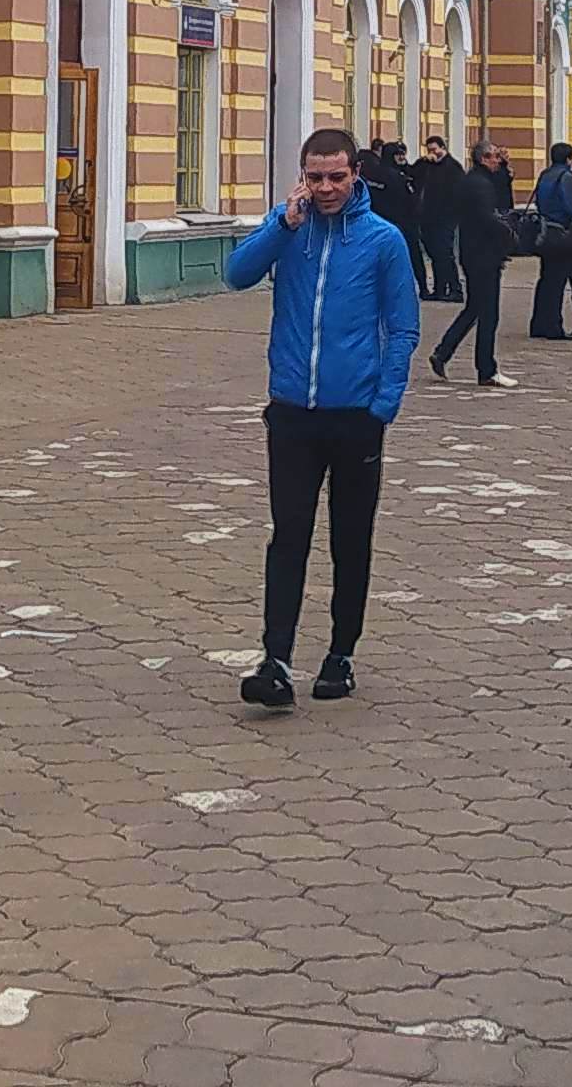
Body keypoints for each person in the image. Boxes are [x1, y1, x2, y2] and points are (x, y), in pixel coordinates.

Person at [220, 127, 422, 708]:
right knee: (288, 537)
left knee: (350, 541)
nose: (326, 187)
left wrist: (383, 404)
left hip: (356, 415)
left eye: (337, 176)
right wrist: (281, 226)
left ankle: (340, 655)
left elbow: (403, 327)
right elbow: (237, 273)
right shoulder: (289, 229)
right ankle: (276, 662)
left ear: (356, 174)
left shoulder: (382, 240)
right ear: (302, 177)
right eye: (315, 177)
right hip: (292, 413)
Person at [430, 141, 521, 386]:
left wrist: (505, 172)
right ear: (483, 159)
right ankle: (486, 370)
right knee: (488, 313)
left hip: (475, 253)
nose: (497, 160)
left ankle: (443, 353)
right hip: (483, 255)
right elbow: (488, 217)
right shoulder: (478, 185)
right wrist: (509, 233)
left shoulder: (477, 180)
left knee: (474, 308)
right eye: (494, 157)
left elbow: (502, 198)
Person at [528, 143, 572, 340]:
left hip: (545, 232)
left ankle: (537, 324)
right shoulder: (566, 177)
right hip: (561, 233)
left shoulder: (545, 174)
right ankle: (553, 327)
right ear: (569, 159)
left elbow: (539, 201)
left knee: (545, 279)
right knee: (557, 281)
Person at [410, 136, 465, 302]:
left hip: (445, 217)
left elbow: (457, 193)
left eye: (434, 149)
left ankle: (455, 289)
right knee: (434, 253)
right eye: (429, 150)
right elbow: (413, 173)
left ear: (443, 148)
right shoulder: (428, 166)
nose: (432, 153)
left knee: (444, 253)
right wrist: (422, 160)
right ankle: (439, 288)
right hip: (428, 217)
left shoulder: (453, 167)